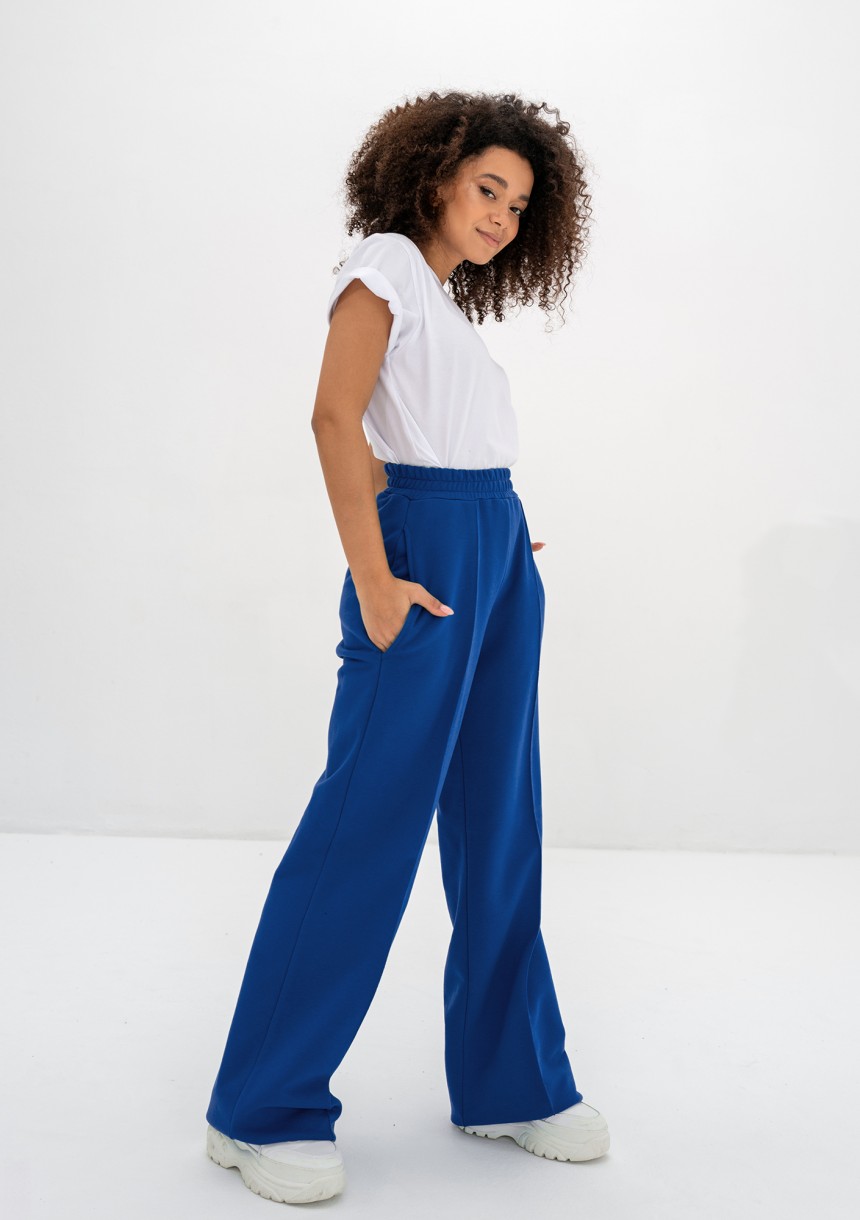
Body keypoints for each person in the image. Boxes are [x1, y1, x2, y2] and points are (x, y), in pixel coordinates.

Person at [204, 89, 609, 1206]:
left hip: (490, 551)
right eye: (488, 189)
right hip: (422, 566)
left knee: (500, 825)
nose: (502, 217)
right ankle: (259, 1108)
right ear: (432, 175)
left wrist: (494, 537)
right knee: (365, 826)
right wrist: (380, 576)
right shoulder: (383, 263)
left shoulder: (442, 304)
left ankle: (510, 1082)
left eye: (519, 205)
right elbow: (336, 417)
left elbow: (432, 439)